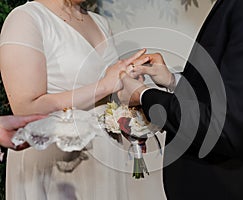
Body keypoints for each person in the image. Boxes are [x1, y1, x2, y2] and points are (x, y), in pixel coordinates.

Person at [118, 0, 243, 199]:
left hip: (234, 186)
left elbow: (226, 127)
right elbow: (236, 94)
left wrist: (144, 96)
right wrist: (174, 81)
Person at [0, 0, 149, 199]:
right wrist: (104, 85)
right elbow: (25, 109)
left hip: (104, 156)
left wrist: (129, 89)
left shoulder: (100, 22)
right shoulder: (26, 18)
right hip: (57, 160)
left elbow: (106, 93)